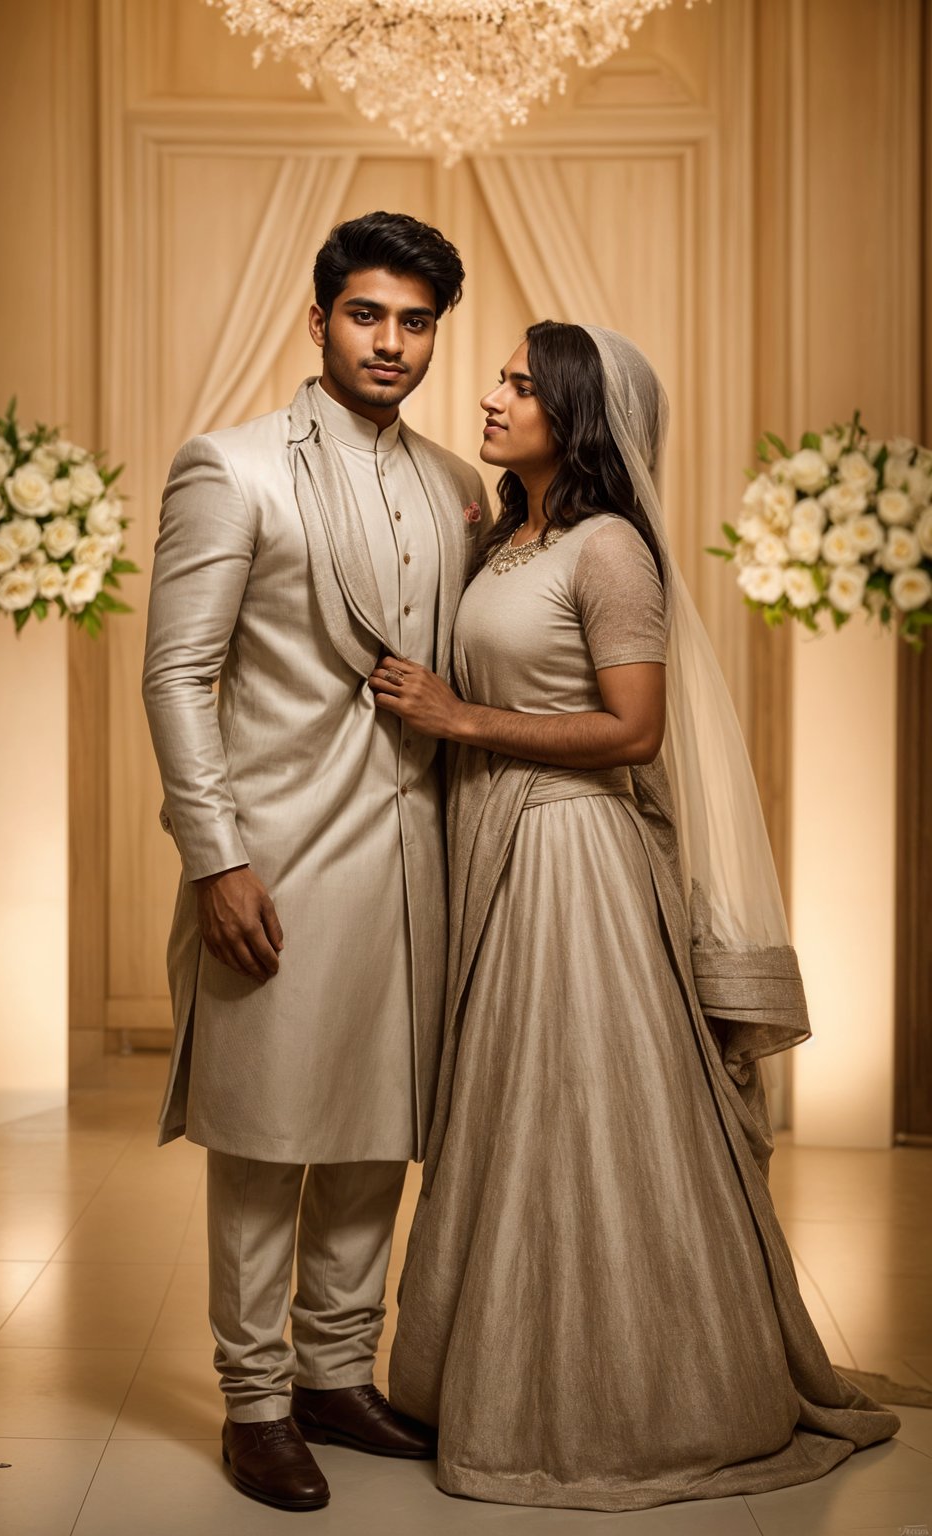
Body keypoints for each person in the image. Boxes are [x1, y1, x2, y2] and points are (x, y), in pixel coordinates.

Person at [373, 321, 900, 1511]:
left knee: (586, 1107)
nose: (495, 395)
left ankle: (641, 1396)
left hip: (575, 858)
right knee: (513, 1106)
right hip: (505, 852)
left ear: (578, 418)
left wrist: (462, 722)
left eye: (522, 384)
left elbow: (633, 731)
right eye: (502, 377)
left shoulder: (609, 548)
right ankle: (497, 1372)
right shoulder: (512, 538)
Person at [141, 211, 489, 1514]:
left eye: (414, 322)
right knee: (266, 1135)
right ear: (318, 319)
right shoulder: (231, 469)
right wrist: (215, 857)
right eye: (367, 314)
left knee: (376, 1124)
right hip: (273, 862)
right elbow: (177, 673)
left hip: (414, 858)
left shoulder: (458, 480)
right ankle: (253, 1400)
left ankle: (339, 1373)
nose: (390, 342)